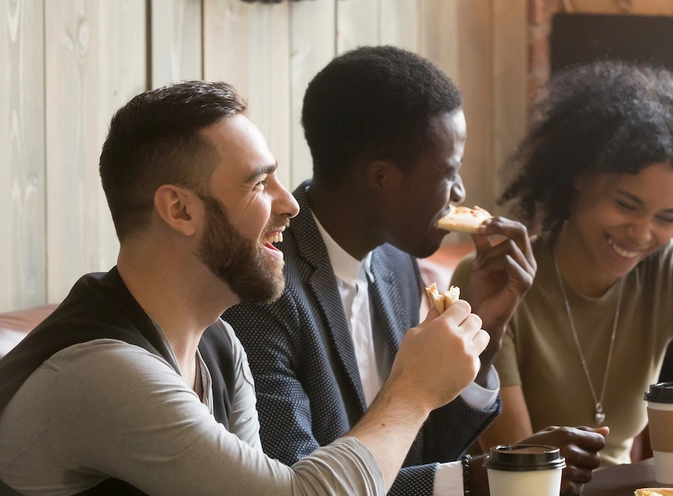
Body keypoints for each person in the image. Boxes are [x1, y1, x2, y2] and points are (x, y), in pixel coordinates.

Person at [0, 81, 491, 495]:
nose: (290, 204)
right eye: (258, 183)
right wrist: (413, 392)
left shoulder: (219, 345)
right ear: (181, 209)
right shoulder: (103, 371)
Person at [221, 46, 606, 496]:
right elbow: (302, 486)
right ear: (381, 177)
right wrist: (484, 478)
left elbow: (418, 453)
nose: (460, 191)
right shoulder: (263, 288)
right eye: (449, 171)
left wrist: (485, 332)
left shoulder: (396, 263)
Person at [457, 61, 673, 466]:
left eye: (666, 218)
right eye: (626, 205)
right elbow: (519, 467)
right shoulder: (495, 280)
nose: (641, 233)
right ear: (578, 176)